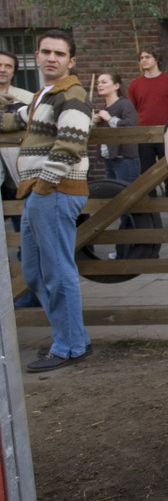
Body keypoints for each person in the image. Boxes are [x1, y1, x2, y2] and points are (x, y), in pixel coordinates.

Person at [0, 29, 93, 372]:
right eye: (45, 52)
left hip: (54, 191)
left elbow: (71, 144)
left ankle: (70, 346)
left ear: (71, 61)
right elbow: (17, 119)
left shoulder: (73, 94)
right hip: (40, 193)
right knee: (35, 272)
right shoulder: (45, 95)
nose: (51, 57)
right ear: (37, 57)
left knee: (56, 270)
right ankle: (71, 338)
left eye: (59, 53)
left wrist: (43, 186)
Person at [127, 45, 168, 227]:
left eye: (147, 57)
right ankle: (151, 217)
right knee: (146, 176)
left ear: (156, 59)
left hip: (166, 134)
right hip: (143, 136)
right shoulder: (135, 85)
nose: (144, 60)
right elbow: (136, 106)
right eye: (141, 58)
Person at [0, 50, 34, 236]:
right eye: (0, 65)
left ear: (14, 71)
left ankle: (24, 258)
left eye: (8, 66)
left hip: (18, 166)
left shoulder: (26, 98)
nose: (3, 70)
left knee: (22, 219)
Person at [94, 71, 141, 184]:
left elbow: (130, 125)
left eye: (104, 82)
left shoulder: (125, 104)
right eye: (98, 83)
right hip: (109, 158)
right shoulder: (104, 108)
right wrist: (96, 123)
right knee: (113, 195)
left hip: (125, 159)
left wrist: (109, 119)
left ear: (116, 86)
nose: (99, 85)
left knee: (126, 195)